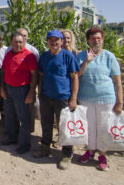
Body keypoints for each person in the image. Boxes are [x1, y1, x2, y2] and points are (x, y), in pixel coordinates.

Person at [76, 28, 123, 171]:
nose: (96, 40)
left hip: (106, 98)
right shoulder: (82, 55)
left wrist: (120, 102)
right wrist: (86, 62)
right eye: (93, 38)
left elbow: (117, 81)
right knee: (89, 126)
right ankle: (90, 151)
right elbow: (77, 75)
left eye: (98, 38)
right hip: (86, 98)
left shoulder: (109, 56)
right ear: (88, 40)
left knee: (104, 127)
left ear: (102, 39)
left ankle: (102, 155)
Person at [33, 30, 80, 170]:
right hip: (46, 96)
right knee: (46, 123)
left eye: (56, 40)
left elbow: (74, 77)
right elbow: (40, 75)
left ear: (61, 41)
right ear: (47, 41)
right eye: (50, 40)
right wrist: (39, 91)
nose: (53, 43)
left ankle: (67, 153)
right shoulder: (44, 56)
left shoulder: (67, 56)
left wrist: (73, 98)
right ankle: (45, 148)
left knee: (64, 126)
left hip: (63, 98)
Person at [0, 32, 38, 154]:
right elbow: (4, 72)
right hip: (9, 88)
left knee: (24, 118)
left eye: (21, 42)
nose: (18, 44)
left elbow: (34, 75)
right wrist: (2, 88)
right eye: (16, 42)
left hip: (22, 90)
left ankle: (24, 144)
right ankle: (12, 138)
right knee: (10, 115)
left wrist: (31, 93)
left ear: (24, 42)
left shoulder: (29, 56)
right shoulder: (8, 54)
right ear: (11, 42)